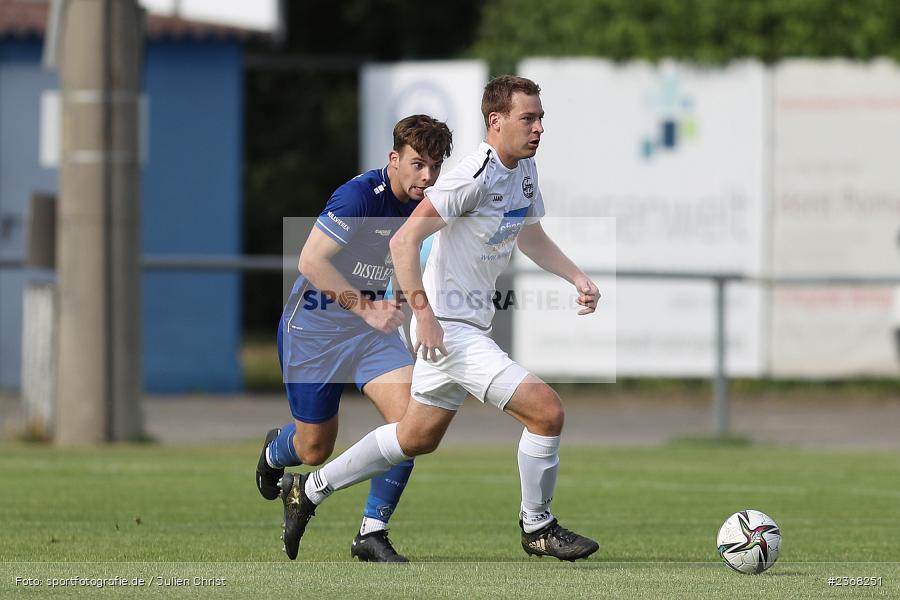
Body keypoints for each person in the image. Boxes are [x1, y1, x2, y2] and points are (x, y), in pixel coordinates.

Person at [277, 76, 601, 562]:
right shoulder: (469, 176)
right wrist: (424, 315)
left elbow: (528, 234)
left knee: (414, 437)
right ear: (496, 121)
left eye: (540, 118)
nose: (538, 128)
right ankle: (537, 526)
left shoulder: (525, 170)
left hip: (464, 326)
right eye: (528, 118)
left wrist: (575, 276)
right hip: (449, 331)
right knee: (546, 411)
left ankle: (309, 490)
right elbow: (403, 241)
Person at [255, 114, 453, 562]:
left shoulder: (427, 204)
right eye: (418, 164)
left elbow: (407, 255)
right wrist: (367, 307)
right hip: (314, 330)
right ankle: (275, 452)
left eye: (435, 166)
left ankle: (372, 532)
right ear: (394, 158)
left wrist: (400, 300)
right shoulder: (359, 197)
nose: (427, 176)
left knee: (411, 423)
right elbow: (310, 261)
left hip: (369, 334)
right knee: (313, 448)